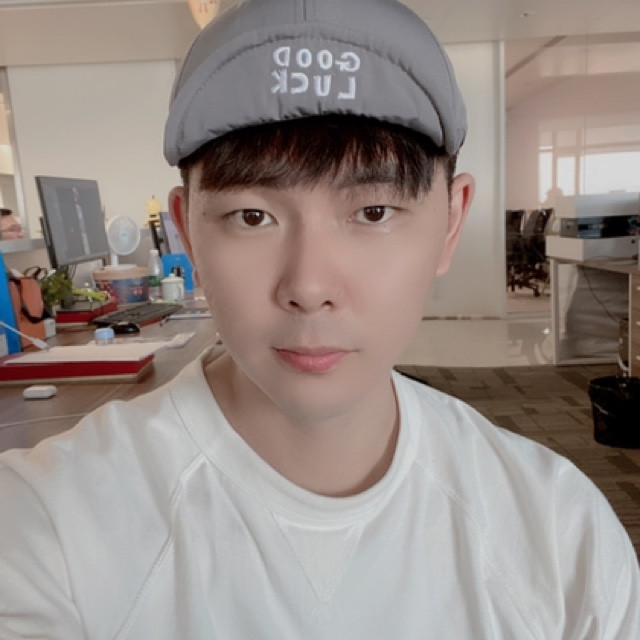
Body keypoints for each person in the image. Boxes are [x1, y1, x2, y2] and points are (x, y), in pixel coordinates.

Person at [1, 0, 638, 637]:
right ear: (187, 232)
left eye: (373, 213)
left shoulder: (563, 541)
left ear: (450, 222)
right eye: (253, 216)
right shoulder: (48, 528)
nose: (309, 287)